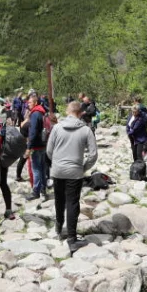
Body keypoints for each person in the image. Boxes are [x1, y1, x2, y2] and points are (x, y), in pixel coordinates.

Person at [46, 101, 98, 253]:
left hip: (58, 170)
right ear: (81, 113)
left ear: (68, 111)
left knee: (59, 199)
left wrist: (56, 163)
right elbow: (93, 154)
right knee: (72, 202)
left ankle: (58, 226)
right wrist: (83, 167)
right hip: (75, 171)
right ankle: (72, 238)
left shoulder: (56, 128)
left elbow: (49, 151)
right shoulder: (86, 130)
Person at [26, 93, 49, 200]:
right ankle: (43, 189)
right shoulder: (43, 112)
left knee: (36, 169)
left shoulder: (35, 114)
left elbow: (33, 132)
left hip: (36, 146)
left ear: (35, 103)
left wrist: (28, 147)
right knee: (42, 168)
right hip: (44, 144)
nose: (28, 104)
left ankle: (36, 192)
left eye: (30, 102)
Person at [126, 96, 147, 166]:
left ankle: (141, 169)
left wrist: (129, 133)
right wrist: (128, 132)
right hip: (132, 137)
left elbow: (136, 128)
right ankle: (136, 167)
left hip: (140, 138)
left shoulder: (141, 118)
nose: (134, 113)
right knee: (134, 153)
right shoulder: (131, 115)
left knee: (139, 155)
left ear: (138, 111)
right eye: (132, 112)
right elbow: (128, 124)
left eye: (135, 112)